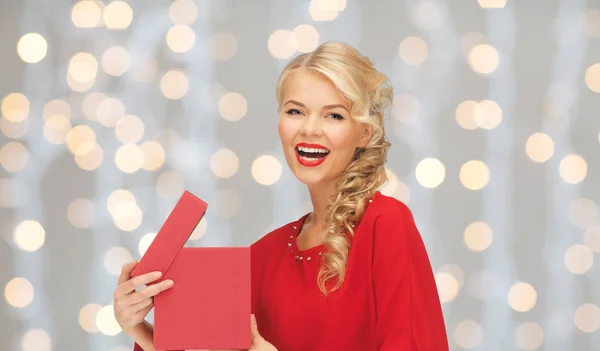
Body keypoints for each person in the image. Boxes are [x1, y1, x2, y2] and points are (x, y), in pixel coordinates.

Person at [113, 41, 449, 351]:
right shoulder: (264, 256)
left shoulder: (385, 224)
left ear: (364, 132)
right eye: (295, 111)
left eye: (334, 115)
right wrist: (139, 329)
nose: (309, 129)